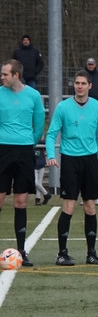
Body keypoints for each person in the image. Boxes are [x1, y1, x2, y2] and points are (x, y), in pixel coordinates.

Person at [45, 71, 98, 266]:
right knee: (69, 206)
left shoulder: (97, 107)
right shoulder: (63, 107)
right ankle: (62, 254)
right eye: (77, 83)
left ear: (90, 85)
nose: (79, 86)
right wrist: (51, 155)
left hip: (90, 161)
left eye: (83, 83)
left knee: (90, 206)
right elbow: (51, 134)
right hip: (70, 160)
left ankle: (91, 253)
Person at [0, 59, 46, 266]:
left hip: (25, 151)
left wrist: (29, 143)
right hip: (2, 150)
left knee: (20, 201)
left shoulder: (33, 96)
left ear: (16, 75)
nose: (2, 77)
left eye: (5, 74)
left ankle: (21, 251)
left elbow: (39, 125)